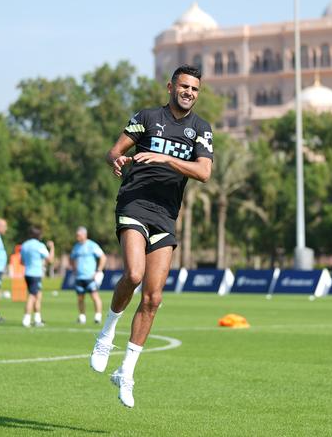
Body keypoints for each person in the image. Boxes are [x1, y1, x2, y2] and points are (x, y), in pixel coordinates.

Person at [90, 65, 213, 408]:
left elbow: (204, 172)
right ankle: (106, 334)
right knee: (133, 274)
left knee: (154, 297)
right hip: (135, 203)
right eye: (184, 86)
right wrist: (115, 160)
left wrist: (165, 159)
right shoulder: (147, 116)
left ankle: (126, 371)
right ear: (171, 86)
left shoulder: (200, 129)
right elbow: (114, 151)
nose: (189, 92)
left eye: (195, 89)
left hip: (166, 216)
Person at [70, 226, 106, 324]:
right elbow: (72, 258)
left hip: (90, 277)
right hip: (79, 277)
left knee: (94, 296)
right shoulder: (76, 246)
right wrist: (74, 269)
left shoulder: (92, 245)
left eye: (79, 235)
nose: (77, 237)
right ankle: (82, 317)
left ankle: (98, 316)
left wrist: (98, 270)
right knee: (80, 298)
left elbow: (103, 257)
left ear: (84, 235)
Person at [20, 226, 55, 328]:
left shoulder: (25, 245)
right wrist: (52, 247)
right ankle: (26, 319)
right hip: (35, 274)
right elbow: (50, 260)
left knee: (38, 296)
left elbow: (21, 261)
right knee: (32, 295)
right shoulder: (39, 245)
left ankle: (37, 319)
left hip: (27, 273)